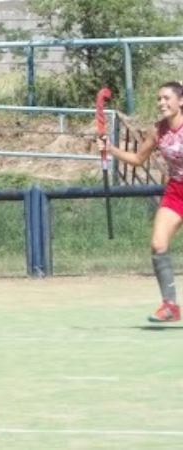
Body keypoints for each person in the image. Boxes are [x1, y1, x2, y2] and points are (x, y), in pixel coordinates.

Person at [99, 80, 183, 323]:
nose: (162, 103)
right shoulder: (157, 131)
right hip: (176, 191)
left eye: (167, 98)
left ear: (180, 101)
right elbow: (137, 159)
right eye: (159, 99)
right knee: (158, 244)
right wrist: (111, 149)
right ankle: (170, 306)